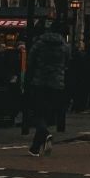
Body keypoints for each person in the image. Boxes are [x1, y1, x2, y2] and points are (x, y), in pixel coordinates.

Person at [23, 20, 71, 155]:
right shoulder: (65, 46)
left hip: (39, 82)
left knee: (36, 113)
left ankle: (45, 133)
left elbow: (30, 61)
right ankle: (35, 148)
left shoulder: (39, 43)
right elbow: (67, 64)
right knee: (47, 114)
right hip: (57, 85)